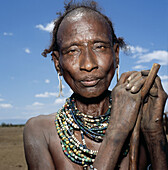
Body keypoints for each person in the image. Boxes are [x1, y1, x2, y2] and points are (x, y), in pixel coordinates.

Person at [23, 1, 168, 169]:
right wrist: (116, 131)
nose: (88, 64)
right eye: (72, 50)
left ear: (116, 55)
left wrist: (154, 133)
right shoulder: (39, 131)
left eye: (99, 47)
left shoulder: (139, 124)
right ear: (57, 63)